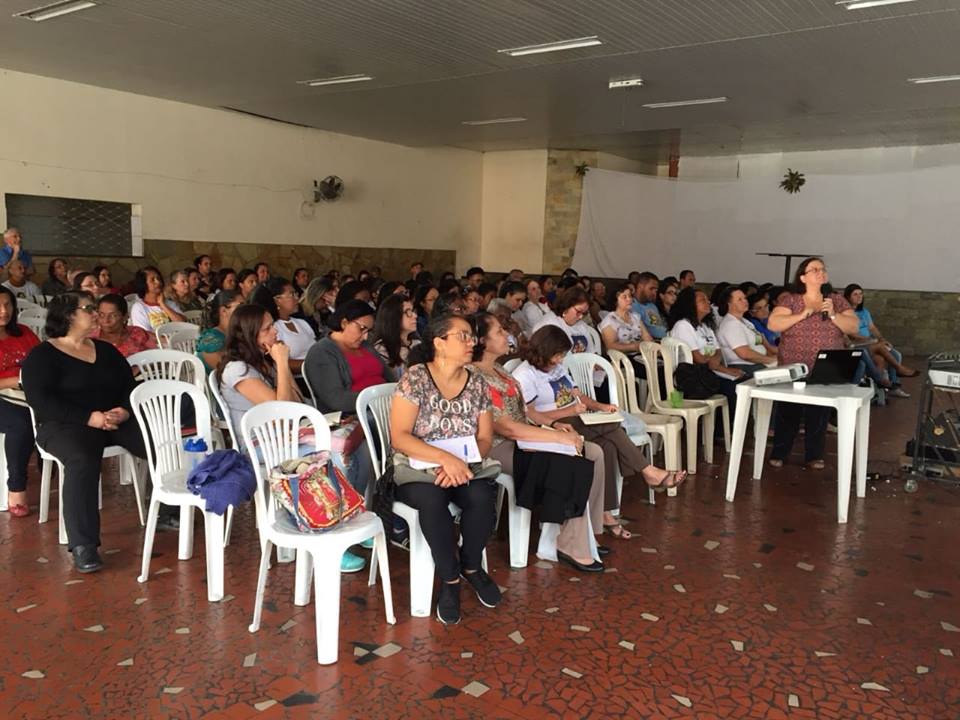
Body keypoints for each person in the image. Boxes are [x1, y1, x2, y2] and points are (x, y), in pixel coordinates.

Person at [514, 325, 685, 540]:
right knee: (612, 426)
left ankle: (606, 514)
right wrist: (569, 411)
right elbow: (530, 414)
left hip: (577, 417)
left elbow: (577, 394)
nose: (560, 360)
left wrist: (600, 407)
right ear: (544, 350)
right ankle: (648, 471)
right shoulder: (525, 374)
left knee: (608, 445)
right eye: (557, 355)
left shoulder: (556, 367)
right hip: (553, 424)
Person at [20, 292, 148, 573]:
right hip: (63, 425)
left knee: (154, 438)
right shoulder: (43, 355)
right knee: (81, 457)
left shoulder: (105, 351)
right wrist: (88, 418)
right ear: (68, 316)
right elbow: (41, 401)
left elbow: (130, 387)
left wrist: (124, 411)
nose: (95, 314)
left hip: (111, 419)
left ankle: (170, 508)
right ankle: (83, 544)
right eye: (89, 309)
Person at [471, 312, 607, 572]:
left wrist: (554, 424)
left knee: (595, 452)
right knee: (570, 456)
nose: (506, 335)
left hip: (525, 435)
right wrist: (557, 436)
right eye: (499, 331)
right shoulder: (475, 376)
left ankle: (584, 534)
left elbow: (526, 412)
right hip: (498, 445)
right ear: (482, 340)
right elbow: (505, 427)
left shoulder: (500, 371)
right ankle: (565, 542)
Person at [389, 313, 501, 624]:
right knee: (432, 501)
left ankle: (471, 566)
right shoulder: (416, 378)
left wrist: (460, 463)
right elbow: (399, 437)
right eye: (462, 336)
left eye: (472, 336)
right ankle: (450, 580)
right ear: (439, 343)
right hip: (417, 466)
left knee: (481, 496)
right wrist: (444, 459)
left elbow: (485, 438)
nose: (472, 342)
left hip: (465, 464)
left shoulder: (477, 381)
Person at [767, 257, 859, 470]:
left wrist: (834, 315)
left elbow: (853, 327)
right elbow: (774, 323)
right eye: (814, 269)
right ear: (802, 277)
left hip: (826, 365)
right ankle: (780, 452)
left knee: (819, 412)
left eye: (822, 269)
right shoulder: (791, 300)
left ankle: (814, 455)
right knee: (787, 410)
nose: (820, 272)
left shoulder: (836, 299)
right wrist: (801, 315)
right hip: (793, 365)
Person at [303, 300, 388, 413]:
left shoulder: (365, 345)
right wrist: (380, 400)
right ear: (344, 323)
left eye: (368, 331)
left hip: (383, 404)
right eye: (362, 329)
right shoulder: (321, 352)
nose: (366, 337)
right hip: (356, 413)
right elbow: (336, 399)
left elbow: (388, 375)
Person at [667, 288, 744, 413]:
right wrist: (724, 369)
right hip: (692, 377)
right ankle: (724, 429)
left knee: (743, 381)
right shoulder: (683, 326)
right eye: (702, 300)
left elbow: (718, 351)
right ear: (690, 304)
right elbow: (698, 359)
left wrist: (715, 361)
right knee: (733, 388)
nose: (708, 302)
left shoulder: (705, 326)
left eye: (707, 299)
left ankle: (730, 428)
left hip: (709, 371)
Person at [0, 287, 41, 517]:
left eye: (7, 305)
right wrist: (13, 380)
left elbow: (41, 362)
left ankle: (50, 466)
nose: (3, 311)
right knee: (21, 423)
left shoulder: (24, 333)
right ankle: (16, 486)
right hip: (4, 395)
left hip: (27, 393)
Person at [844, 283, 916, 398]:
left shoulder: (864, 312)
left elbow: (872, 328)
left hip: (871, 343)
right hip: (858, 344)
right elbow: (850, 334)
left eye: (861, 294)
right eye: (855, 294)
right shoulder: (845, 313)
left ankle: (891, 386)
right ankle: (897, 371)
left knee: (894, 355)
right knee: (880, 348)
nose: (859, 297)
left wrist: (881, 338)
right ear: (847, 297)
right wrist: (872, 340)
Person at [251, 278, 316, 374]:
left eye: (296, 294)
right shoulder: (272, 329)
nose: (297, 298)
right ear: (277, 300)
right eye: (292, 294)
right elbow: (279, 362)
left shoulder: (302, 323)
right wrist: (314, 364)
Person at [716, 287, 778, 374]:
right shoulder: (731, 324)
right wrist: (770, 360)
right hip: (745, 367)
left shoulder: (745, 322)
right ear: (729, 304)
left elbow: (761, 344)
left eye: (745, 298)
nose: (745, 301)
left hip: (759, 363)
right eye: (739, 299)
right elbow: (745, 354)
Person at [532, 287, 600, 355]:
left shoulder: (581, 325)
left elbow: (591, 352)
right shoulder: (549, 324)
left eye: (584, 313)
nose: (581, 317)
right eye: (578, 311)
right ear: (567, 305)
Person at [90, 294, 158, 357]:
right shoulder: (91, 340)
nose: (106, 320)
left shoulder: (137, 333)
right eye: (101, 315)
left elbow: (157, 355)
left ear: (125, 316)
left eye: (113, 315)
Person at [371, 293, 419, 377]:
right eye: (408, 312)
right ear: (393, 316)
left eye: (413, 311)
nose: (415, 315)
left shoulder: (417, 343)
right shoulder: (381, 349)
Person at [599, 283, 653, 356]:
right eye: (624, 297)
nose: (629, 299)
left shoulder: (635, 316)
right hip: (621, 358)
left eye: (630, 296)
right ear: (615, 301)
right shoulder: (610, 320)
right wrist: (634, 347)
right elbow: (610, 346)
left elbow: (646, 337)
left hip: (640, 355)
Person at [196, 290, 243, 372]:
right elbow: (232, 373)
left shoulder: (236, 332)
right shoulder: (211, 342)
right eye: (241, 307)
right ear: (224, 311)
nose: (247, 311)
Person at [129, 266, 186, 331]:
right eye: (152, 280)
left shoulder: (169, 303)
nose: (158, 282)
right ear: (143, 284)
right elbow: (145, 335)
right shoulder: (139, 308)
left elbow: (183, 324)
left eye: (159, 278)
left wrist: (163, 305)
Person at [632, 272, 666, 340]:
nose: (654, 293)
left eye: (656, 290)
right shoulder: (631, 305)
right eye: (651, 289)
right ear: (640, 286)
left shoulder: (652, 306)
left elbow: (659, 326)